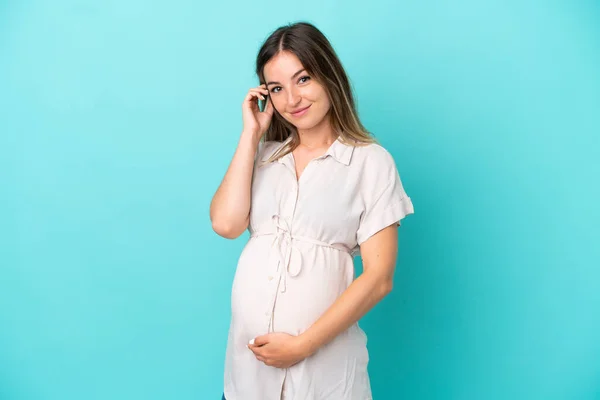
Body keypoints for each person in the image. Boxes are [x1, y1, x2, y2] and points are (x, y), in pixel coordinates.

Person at [209, 21, 414, 400]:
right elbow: (225, 223)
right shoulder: (264, 158)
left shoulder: (371, 163)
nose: (291, 100)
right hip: (247, 380)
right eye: (276, 88)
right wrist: (251, 135)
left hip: (324, 381)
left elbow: (379, 278)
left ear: (328, 75)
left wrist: (302, 346)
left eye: (302, 79)